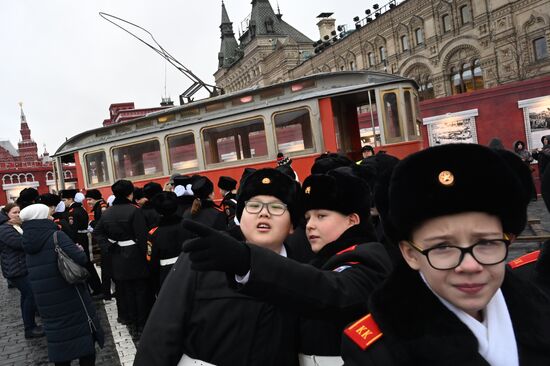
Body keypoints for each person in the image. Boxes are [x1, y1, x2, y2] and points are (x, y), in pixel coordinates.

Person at [341, 143, 550, 365]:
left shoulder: (540, 310)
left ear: (508, 240)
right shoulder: (378, 353)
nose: (469, 266)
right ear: (410, 254)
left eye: (487, 243)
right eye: (442, 247)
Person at [182, 168, 392, 364]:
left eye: (321, 216)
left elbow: (332, 291)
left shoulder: (368, 257)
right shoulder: (321, 261)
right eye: (308, 217)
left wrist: (247, 260)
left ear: (352, 220)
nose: (310, 225)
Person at [135, 168, 302, 366]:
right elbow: (161, 333)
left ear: (292, 224)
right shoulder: (200, 259)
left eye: (276, 207)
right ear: (241, 218)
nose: (263, 213)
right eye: (254, 206)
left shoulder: (304, 272)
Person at [20, 204, 104, 366]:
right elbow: (81, 259)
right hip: (70, 294)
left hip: (47, 301)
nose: (52, 216)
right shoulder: (56, 236)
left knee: (59, 342)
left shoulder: (27, 240)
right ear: (41, 217)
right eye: (48, 214)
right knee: (84, 341)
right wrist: (78, 250)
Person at [93, 180, 151, 330]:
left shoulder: (108, 212)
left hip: (117, 255)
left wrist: (108, 246)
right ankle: (141, 321)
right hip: (135, 254)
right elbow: (142, 237)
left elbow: (97, 232)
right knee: (139, 289)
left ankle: (126, 317)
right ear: (130, 194)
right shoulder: (134, 210)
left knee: (123, 289)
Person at [0, 203, 43, 339]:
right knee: (30, 295)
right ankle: (29, 328)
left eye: (19, 212)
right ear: (7, 214)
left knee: (26, 296)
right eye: (14, 212)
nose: (18, 215)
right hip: (16, 269)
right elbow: (20, 243)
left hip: (21, 267)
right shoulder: (4, 229)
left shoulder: (14, 226)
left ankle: (30, 326)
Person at [146, 191, 191, 295]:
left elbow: (151, 261)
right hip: (189, 269)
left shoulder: (153, 233)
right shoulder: (188, 226)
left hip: (166, 273)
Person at [61, 189, 102, 297]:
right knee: (88, 263)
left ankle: (96, 288)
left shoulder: (72, 211)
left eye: (65, 200)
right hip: (83, 237)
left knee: (86, 263)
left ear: (70, 199)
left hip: (80, 239)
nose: (64, 202)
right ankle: (97, 287)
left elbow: (73, 229)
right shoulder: (81, 209)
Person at [85, 189, 112, 300]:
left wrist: (93, 223)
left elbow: (104, 222)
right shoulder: (99, 206)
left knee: (106, 268)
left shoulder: (101, 207)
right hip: (105, 240)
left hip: (106, 241)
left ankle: (106, 293)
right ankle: (107, 292)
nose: (88, 202)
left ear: (96, 198)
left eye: (90, 199)